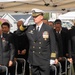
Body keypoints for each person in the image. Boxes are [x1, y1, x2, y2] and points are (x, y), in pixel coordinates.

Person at [19, 8, 58, 75]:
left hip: (44, 59)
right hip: (33, 59)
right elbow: (18, 34)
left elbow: (53, 44)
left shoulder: (48, 28)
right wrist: (23, 26)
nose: (34, 18)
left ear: (41, 17)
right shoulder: (30, 28)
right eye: (33, 17)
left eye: (36, 16)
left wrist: (53, 57)